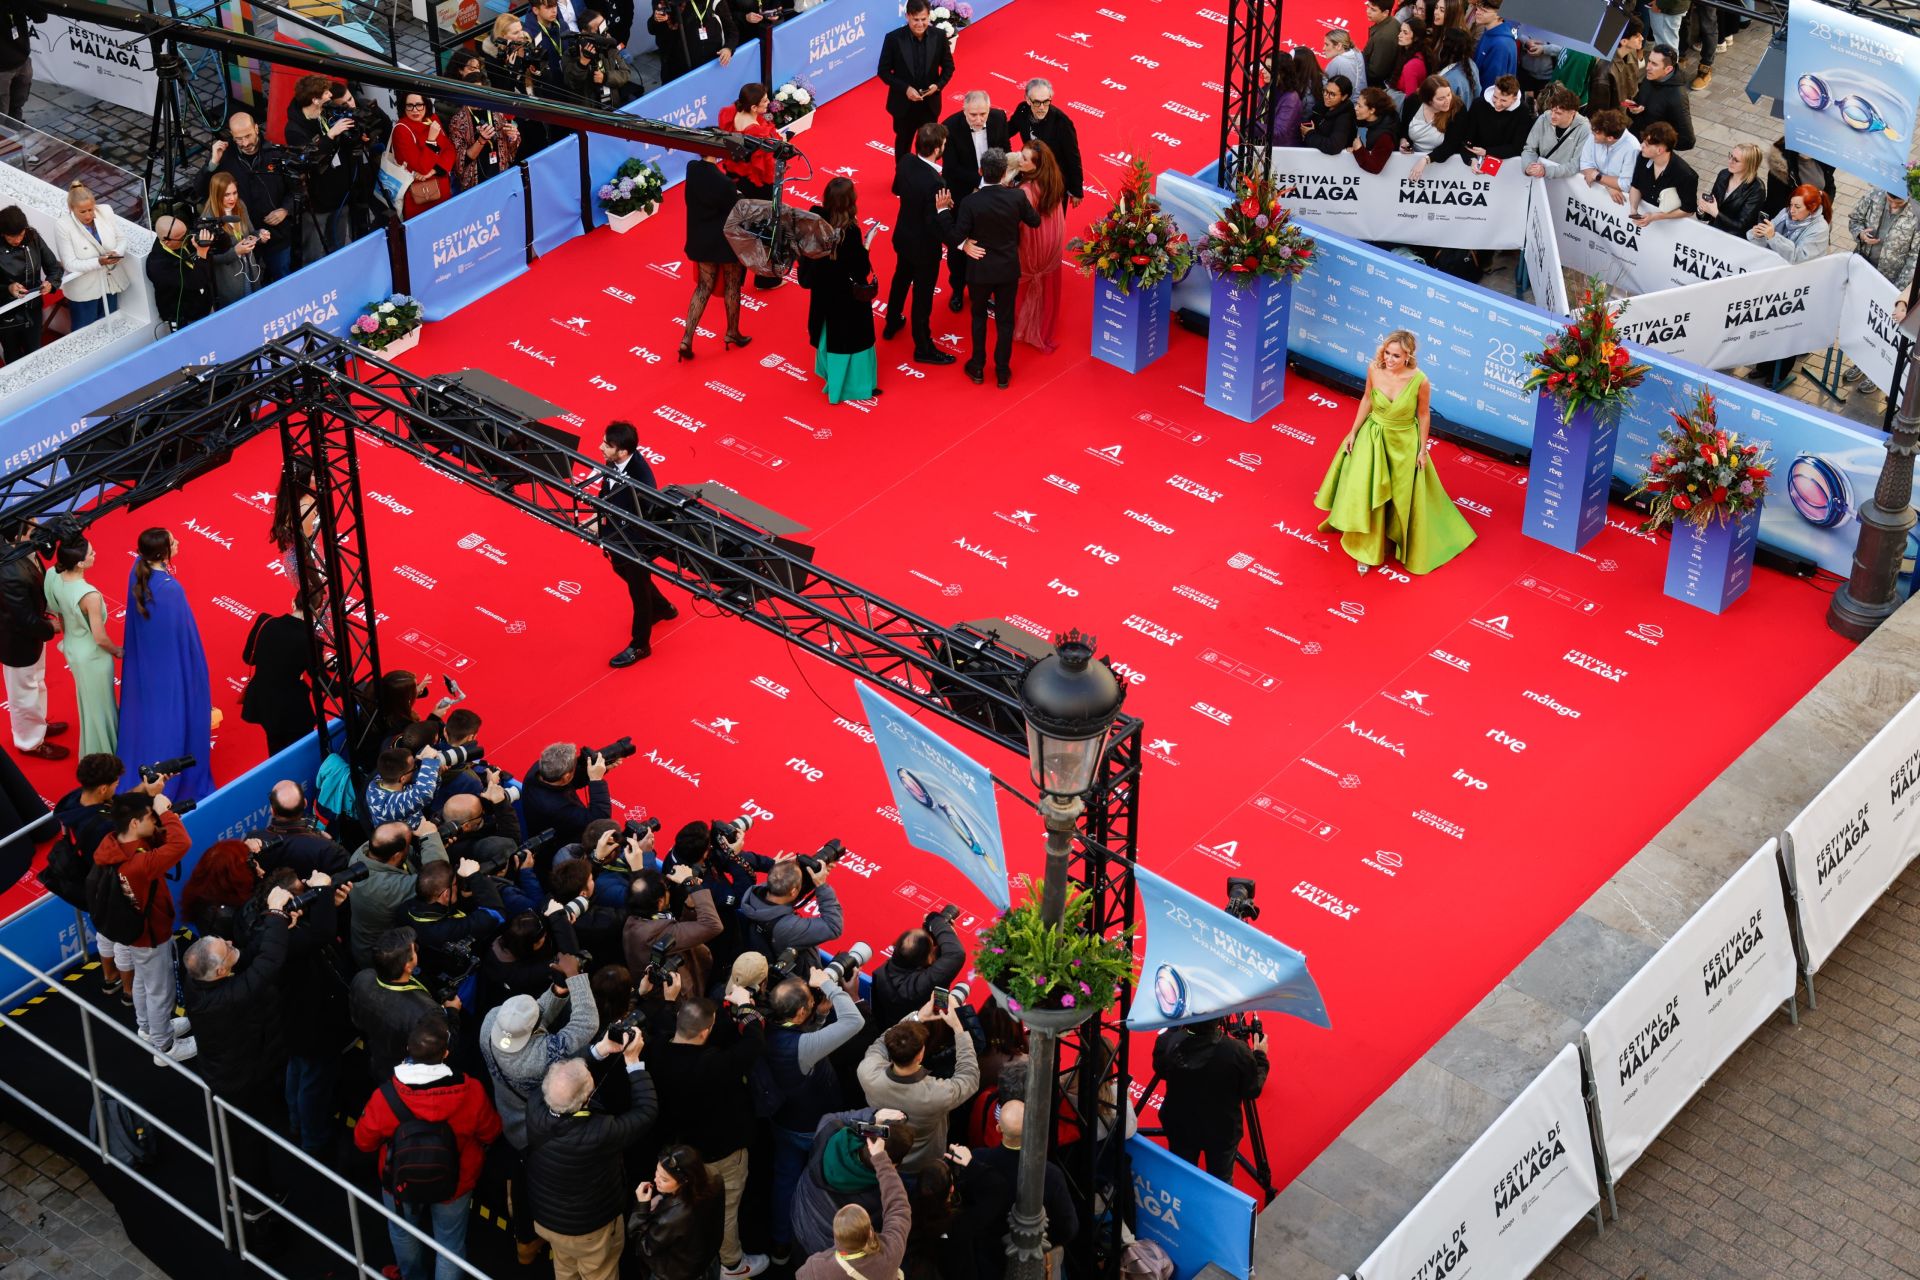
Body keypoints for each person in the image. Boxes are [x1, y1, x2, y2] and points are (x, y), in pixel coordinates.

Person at [180, 882, 304, 1214]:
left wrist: (275, 926)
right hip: (242, 1079)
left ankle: (237, 1191)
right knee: (248, 1142)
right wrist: (276, 913)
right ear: (221, 972)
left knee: (234, 1136)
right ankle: (254, 1204)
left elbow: (249, 956)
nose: (233, 944)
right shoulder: (228, 999)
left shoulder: (198, 981)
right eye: (227, 949)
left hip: (227, 1070)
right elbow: (266, 966)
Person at [1314, 329, 1477, 575]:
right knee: (1370, 493)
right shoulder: (1374, 369)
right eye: (1387, 353)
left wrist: (1423, 450)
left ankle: (1396, 538)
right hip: (1373, 437)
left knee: (1399, 497)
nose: (1389, 360)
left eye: (1396, 356)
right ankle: (1366, 550)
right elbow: (1367, 399)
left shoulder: (1420, 380)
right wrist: (1353, 432)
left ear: (1408, 356)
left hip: (1404, 444)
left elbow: (1423, 414)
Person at [355, 1013, 502, 1280]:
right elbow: (490, 1132)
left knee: (402, 1232)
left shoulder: (385, 1097)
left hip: (400, 1182)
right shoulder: (472, 1091)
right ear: (446, 1053)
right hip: (456, 1183)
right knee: (450, 1244)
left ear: (408, 1049)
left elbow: (363, 1142)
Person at [479, 956, 595, 1265]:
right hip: (538, 1131)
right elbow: (586, 1024)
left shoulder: (491, 1022)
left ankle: (524, 1245)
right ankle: (538, 1238)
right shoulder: (535, 1058)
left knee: (518, 1180)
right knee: (538, 1187)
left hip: (511, 1123)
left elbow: (530, 1022)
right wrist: (576, 978)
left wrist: (557, 992)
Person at [649, 996, 767, 1280]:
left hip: (680, 1153)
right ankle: (732, 1264)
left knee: (686, 1205)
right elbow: (755, 1042)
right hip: (722, 1153)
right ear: (706, 1031)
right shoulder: (716, 1064)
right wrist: (745, 1007)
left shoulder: (653, 1052)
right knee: (725, 1210)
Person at [526, 1044, 658, 1280]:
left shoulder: (534, 1107)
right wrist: (633, 1062)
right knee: (599, 1273)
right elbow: (646, 1111)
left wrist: (600, 1049)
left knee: (565, 1268)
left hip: (548, 1220)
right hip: (588, 1230)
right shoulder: (599, 1132)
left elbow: (565, 1076)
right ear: (587, 1098)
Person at [766, 971, 868, 1262]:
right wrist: (828, 984)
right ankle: (824, 1246)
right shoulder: (800, 1048)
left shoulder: (763, 1027)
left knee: (784, 1181)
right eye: (810, 1003)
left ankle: (780, 1243)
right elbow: (854, 1021)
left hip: (782, 1119)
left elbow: (806, 1041)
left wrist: (820, 1018)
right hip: (813, 1127)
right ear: (800, 1013)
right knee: (825, 1182)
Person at [93, 790, 196, 1062]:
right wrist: (166, 813)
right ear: (135, 823)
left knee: (144, 982)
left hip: (134, 932)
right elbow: (182, 843)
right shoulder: (138, 865)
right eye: (150, 817)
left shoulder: (113, 845)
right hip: (151, 935)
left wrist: (158, 811)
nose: (155, 821)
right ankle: (164, 1048)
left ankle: (148, 1028)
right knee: (160, 989)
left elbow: (160, 840)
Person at [117, 528, 215, 802]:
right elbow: (185, 636)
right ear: (162, 553)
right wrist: (195, 672)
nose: (178, 542)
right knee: (173, 715)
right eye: (173, 541)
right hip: (169, 666)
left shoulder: (137, 569)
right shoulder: (171, 589)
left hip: (147, 662)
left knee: (154, 714)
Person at [950, 148, 1039, 390]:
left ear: (981, 172)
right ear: (1004, 173)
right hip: (1007, 269)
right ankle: (1002, 372)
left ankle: (977, 367)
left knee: (978, 317)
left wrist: (964, 243)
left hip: (979, 270)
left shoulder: (970, 201)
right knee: (1005, 321)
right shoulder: (1017, 198)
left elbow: (956, 235)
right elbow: (1034, 221)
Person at [593, 421, 677, 667]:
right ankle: (664, 608)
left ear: (623, 452)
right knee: (619, 568)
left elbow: (640, 518)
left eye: (606, 445)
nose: (600, 448)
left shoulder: (643, 481)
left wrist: (607, 528)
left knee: (638, 591)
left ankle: (640, 645)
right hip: (616, 532)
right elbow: (608, 491)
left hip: (636, 540)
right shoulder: (617, 460)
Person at [856, 1003, 978, 1172]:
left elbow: (880, 1043)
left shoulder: (867, 1071)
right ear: (921, 1055)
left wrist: (916, 1017)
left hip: (882, 1152)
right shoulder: (937, 1094)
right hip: (924, 1163)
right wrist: (958, 1028)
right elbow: (970, 1077)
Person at [797, 177, 881, 405]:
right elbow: (860, 268)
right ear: (849, 201)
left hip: (824, 294)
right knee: (852, 341)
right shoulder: (851, 232)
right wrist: (867, 246)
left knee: (830, 336)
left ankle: (831, 376)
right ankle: (854, 385)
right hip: (846, 299)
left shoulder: (816, 218)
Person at [1151, 1018, 1269, 1179]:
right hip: (1222, 1133)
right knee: (1220, 1181)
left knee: (1182, 1175)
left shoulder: (1167, 1042)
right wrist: (1260, 1057)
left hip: (1179, 1125)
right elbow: (1252, 1089)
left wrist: (1174, 1029)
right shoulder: (1237, 1051)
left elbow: (1161, 1070)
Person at [883, 123, 957, 366]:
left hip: (903, 236)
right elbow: (935, 223)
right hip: (924, 247)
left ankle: (892, 321)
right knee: (922, 297)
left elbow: (899, 189)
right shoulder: (937, 184)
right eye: (944, 144)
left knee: (901, 277)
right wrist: (946, 211)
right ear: (937, 149)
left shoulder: (905, 161)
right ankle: (923, 347)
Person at [350, 925, 463, 1081]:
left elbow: (357, 1020)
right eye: (414, 950)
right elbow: (447, 1045)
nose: (417, 949)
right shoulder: (427, 1012)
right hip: (406, 1072)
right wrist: (453, 1012)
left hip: (377, 1057)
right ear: (408, 966)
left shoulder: (363, 978)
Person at [44, 535, 118, 758]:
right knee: (101, 707)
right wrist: (117, 650)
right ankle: (105, 755)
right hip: (93, 657)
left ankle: (97, 752)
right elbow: (100, 637)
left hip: (72, 649)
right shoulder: (90, 595)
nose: (95, 555)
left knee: (88, 703)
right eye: (91, 553)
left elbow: (56, 609)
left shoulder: (52, 575)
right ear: (80, 563)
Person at [1840, 186, 1920, 391]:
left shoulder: (1917, 215)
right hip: (1865, 272)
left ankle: (1875, 374)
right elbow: (1855, 219)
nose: (1892, 206)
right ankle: (1859, 363)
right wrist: (1860, 234)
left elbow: (1914, 258)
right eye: (1890, 200)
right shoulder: (1875, 196)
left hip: (1891, 282)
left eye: (1898, 203)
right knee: (1863, 321)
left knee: (1882, 329)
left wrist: (1899, 294)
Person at [939, 92, 1010, 316]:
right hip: (963, 194)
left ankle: (985, 290)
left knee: (987, 244)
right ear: (964, 110)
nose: (979, 119)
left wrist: (999, 179)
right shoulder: (949, 126)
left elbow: (1005, 150)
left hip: (993, 193)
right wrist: (981, 181)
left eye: (983, 114)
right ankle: (958, 290)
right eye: (973, 115)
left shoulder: (999, 118)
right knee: (959, 246)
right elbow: (951, 167)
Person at [0, 521, 65, 761]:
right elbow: (23, 620)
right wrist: (52, 626)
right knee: (23, 693)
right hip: (18, 641)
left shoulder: (22, 548)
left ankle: (38, 726)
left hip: (32, 635)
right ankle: (29, 742)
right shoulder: (9, 575)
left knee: (37, 683)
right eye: (32, 526)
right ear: (19, 535)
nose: (38, 527)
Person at [206, 113, 294, 282]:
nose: (245, 143)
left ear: (256, 128)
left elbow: (297, 189)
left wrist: (285, 210)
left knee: (282, 278)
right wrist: (212, 163)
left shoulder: (276, 152)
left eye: (248, 136)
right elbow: (202, 190)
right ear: (232, 135)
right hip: (244, 239)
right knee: (251, 284)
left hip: (277, 235)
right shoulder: (225, 156)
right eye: (239, 139)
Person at [349, 822, 451, 966]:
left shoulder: (364, 853)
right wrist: (430, 837)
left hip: (368, 940)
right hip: (383, 958)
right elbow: (438, 879)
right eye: (409, 844)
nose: (410, 847)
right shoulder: (384, 887)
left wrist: (433, 845)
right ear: (396, 856)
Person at [716, 84, 785, 291]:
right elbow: (767, 168)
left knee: (742, 230)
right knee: (765, 231)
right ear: (754, 107)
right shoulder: (758, 133)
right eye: (765, 101)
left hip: (735, 181)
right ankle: (767, 279)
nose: (768, 103)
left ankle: (734, 279)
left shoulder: (732, 114)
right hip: (758, 186)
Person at [679, 158, 747, 359]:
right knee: (732, 286)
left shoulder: (691, 168)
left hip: (701, 240)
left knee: (702, 288)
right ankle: (732, 332)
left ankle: (686, 338)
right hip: (725, 243)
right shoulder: (724, 183)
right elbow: (736, 210)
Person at [240, 589, 319, 756]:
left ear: (293, 602)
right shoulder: (312, 641)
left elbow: (248, 658)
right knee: (301, 754)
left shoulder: (265, 622)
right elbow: (321, 680)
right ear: (317, 611)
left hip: (263, 702)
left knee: (275, 751)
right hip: (292, 710)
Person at [629, 1146, 725, 1280]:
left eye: (664, 1179)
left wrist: (641, 1207)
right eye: (657, 1172)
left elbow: (644, 1247)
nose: (655, 1180)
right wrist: (663, 1197)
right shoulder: (715, 1178)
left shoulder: (672, 1218)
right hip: (708, 1263)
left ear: (685, 1181)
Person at [877, 0, 955, 166]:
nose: (920, 24)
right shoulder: (893, 39)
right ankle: (901, 180)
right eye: (916, 19)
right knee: (903, 143)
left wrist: (938, 86)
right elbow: (883, 72)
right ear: (907, 17)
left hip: (929, 104)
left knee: (929, 145)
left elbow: (949, 67)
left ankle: (926, 178)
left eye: (923, 19)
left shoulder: (939, 36)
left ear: (929, 17)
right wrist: (905, 89)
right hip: (903, 105)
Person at [1011, 140, 1067, 355]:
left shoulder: (1026, 190)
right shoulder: (1054, 180)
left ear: (1036, 166)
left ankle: (1025, 324)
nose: (1020, 160)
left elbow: (1015, 222)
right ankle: (1043, 321)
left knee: (1024, 287)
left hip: (1032, 245)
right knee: (1045, 284)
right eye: (1020, 154)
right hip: (1050, 245)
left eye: (1025, 159)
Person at [869, 910, 964, 1030]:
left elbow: (922, 956)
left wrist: (935, 936)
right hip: (922, 1034)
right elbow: (955, 954)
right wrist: (937, 922)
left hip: (891, 1027)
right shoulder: (918, 987)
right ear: (927, 959)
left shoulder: (884, 970)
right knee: (959, 992)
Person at [54, 183, 130, 330]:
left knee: (111, 326)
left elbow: (121, 238)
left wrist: (117, 253)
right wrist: (99, 262)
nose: (88, 215)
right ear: (71, 209)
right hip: (83, 289)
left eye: (90, 209)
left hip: (110, 282)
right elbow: (70, 264)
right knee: (85, 331)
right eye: (82, 212)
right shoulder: (63, 225)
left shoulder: (106, 211)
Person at [444, 52, 520, 194]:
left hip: (501, 176)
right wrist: (481, 140)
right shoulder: (458, 120)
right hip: (476, 185)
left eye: (480, 91)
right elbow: (460, 162)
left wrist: (513, 136)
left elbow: (511, 149)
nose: (476, 95)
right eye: (472, 91)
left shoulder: (496, 111)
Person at [0, 205, 58, 363]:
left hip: (33, 309)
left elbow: (53, 268)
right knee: (12, 357)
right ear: (3, 233)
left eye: (20, 234)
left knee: (35, 355)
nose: (17, 240)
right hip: (6, 314)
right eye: (11, 237)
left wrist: (50, 283)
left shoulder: (33, 237)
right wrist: (8, 289)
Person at [1008, 79, 1082, 204]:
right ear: (1027, 100)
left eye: (1046, 102)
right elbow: (1007, 130)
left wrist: (1076, 191)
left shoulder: (1062, 122)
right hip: (1029, 175)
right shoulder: (1022, 110)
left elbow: (1073, 157)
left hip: (1053, 181)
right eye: (1037, 102)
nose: (1042, 107)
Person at [199, 173, 265, 308]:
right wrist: (235, 252)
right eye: (226, 195)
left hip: (250, 270)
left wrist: (260, 235)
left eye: (234, 193)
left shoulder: (240, 205)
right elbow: (209, 257)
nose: (232, 198)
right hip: (230, 280)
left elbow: (251, 233)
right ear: (216, 195)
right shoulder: (209, 221)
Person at [391, 94, 457, 218]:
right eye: (410, 106)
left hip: (442, 189)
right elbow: (421, 167)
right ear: (403, 107)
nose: (415, 110)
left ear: (426, 105)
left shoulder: (432, 119)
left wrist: (433, 171)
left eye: (419, 105)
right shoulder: (401, 129)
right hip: (420, 197)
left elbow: (450, 150)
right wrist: (431, 140)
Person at [146, 214, 217, 330]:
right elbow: (195, 282)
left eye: (187, 232)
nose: (187, 238)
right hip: (186, 319)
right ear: (166, 241)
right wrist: (202, 253)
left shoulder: (181, 239)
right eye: (182, 237)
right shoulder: (157, 265)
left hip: (205, 305)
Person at [1627, 121, 1697, 226]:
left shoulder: (1686, 175)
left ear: (1659, 150)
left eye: (1646, 144)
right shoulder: (1642, 157)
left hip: (1670, 226)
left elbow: (1688, 210)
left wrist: (1656, 216)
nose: (1641, 146)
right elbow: (1636, 186)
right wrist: (1633, 210)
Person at [1626, 44, 1694, 151]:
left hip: (1650, 151)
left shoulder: (1677, 97)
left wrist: (1656, 142)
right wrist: (1633, 109)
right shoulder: (1651, 77)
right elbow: (1641, 105)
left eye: (1654, 64)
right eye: (1649, 61)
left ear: (1668, 69)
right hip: (1634, 141)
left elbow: (1688, 141)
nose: (1648, 67)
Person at [649, 0, 736, 83]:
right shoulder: (678, 4)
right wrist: (657, 19)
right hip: (685, 69)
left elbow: (732, 30)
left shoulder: (717, 2)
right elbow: (653, 29)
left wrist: (728, 48)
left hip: (713, 65)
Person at [1519, 84, 1591, 179]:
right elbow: (1529, 149)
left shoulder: (1584, 129)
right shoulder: (1543, 119)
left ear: (1572, 113)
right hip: (1541, 179)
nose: (1552, 116)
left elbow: (1575, 165)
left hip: (1565, 183)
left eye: (1558, 113)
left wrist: (1546, 171)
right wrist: (1528, 166)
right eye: (1552, 110)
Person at [1697, 142, 1766, 237]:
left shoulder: (1757, 189)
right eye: (1731, 156)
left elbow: (1742, 226)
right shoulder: (1723, 174)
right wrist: (1702, 209)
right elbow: (1710, 211)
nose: (1730, 161)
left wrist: (1715, 213)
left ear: (1749, 165)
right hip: (1713, 230)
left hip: (1733, 239)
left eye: (1736, 160)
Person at [1460, 74, 1533, 164]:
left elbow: (1517, 147)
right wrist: (1471, 159)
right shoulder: (1478, 104)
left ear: (1514, 99)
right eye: (1495, 97)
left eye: (1503, 100)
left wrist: (1487, 152)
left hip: (1507, 164)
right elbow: (1467, 139)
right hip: (1477, 159)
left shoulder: (1523, 111)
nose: (1497, 104)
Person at [1400, 77, 1464, 177]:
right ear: (1429, 100)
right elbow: (1404, 128)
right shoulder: (1413, 101)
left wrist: (1425, 159)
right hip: (1412, 161)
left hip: (1444, 165)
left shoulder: (1458, 108)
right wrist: (1403, 141)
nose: (1447, 100)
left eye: (1448, 94)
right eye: (1441, 98)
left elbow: (1451, 145)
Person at [1750, 184, 1830, 263]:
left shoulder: (1820, 228)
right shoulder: (1785, 213)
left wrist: (1773, 237)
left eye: (1797, 207)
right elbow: (1767, 245)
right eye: (1791, 204)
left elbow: (1799, 258)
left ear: (1812, 208)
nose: (1791, 210)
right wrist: (1759, 236)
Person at [1578, 110, 1638, 204]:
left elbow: (1626, 184)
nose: (1592, 135)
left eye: (1596, 134)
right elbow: (1585, 164)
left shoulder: (1632, 148)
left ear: (1610, 138)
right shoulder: (1595, 132)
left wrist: (1596, 176)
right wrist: (1608, 186)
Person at [1588, 17, 1643, 114]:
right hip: (1611, 123)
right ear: (1624, 41)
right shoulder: (1603, 73)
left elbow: (1622, 98)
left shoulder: (1631, 52)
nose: (1642, 38)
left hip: (1623, 118)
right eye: (1637, 36)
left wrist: (1631, 106)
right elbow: (1600, 114)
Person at [1468, 0, 1519, 91]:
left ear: (1499, 15)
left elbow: (1492, 84)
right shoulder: (1489, 31)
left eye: (1484, 10)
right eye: (1478, 8)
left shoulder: (1501, 45)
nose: (1478, 12)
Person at [1350, 87, 1403, 172]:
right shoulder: (1367, 118)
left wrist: (1359, 149)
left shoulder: (1385, 137)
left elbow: (1375, 167)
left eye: (1360, 106)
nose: (1355, 108)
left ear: (1372, 110)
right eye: (1357, 104)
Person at [1302, 75, 1358, 155]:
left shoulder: (1345, 118)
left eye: (1332, 94)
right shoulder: (1321, 107)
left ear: (1344, 97)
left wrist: (1309, 134)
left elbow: (1333, 146)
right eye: (1325, 91)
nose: (1326, 96)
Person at [1265, 56, 1309, 148]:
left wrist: (1249, 124)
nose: (1264, 71)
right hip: (1267, 149)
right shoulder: (1265, 91)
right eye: (1264, 67)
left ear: (1282, 72)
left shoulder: (1291, 98)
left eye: (1269, 68)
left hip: (1286, 153)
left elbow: (1279, 131)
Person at [1361, 0, 1403, 87]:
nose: (1368, 11)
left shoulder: (1384, 37)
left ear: (1385, 13)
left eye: (1373, 9)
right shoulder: (1392, 21)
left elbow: (1375, 73)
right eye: (1368, 6)